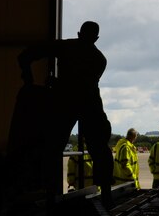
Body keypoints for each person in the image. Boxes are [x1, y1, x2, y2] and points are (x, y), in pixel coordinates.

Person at [17, 20, 114, 209]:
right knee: (100, 149)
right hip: (89, 104)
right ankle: (107, 196)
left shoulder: (66, 47)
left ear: (79, 34)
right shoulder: (99, 60)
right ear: (97, 38)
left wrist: (30, 81)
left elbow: (26, 55)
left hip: (66, 103)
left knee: (52, 148)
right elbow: (83, 85)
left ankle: (51, 194)